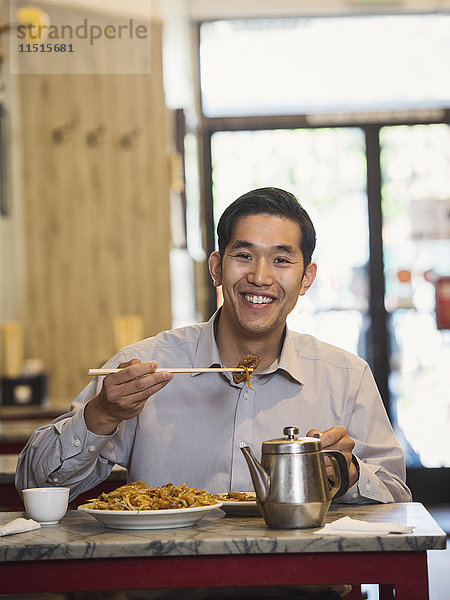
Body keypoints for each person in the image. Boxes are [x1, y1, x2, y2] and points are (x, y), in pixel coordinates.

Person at [16, 187, 411, 599]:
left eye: (281, 259)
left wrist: (346, 474)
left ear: (306, 277)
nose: (260, 276)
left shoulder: (344, 376)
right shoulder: (143, 365)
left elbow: (398, 499)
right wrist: (100, 415)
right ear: (217, 267)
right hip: (167, 591)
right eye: (244, 256)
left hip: (302, 590)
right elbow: (35, 484)